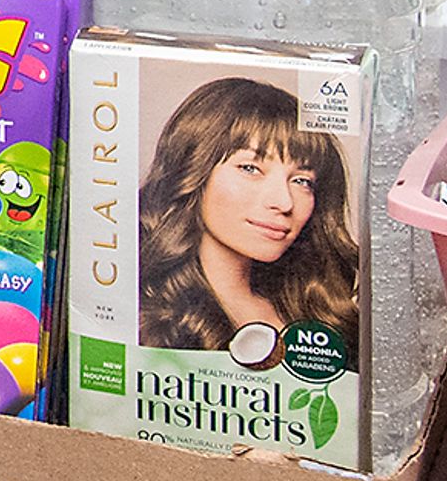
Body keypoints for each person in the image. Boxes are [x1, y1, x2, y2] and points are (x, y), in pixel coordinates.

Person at [136, 73, 361, 354]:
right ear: (193, 171)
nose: (284, 202)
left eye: (302, 180)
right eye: (251, 168)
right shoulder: (142, 316)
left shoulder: (320, 317)